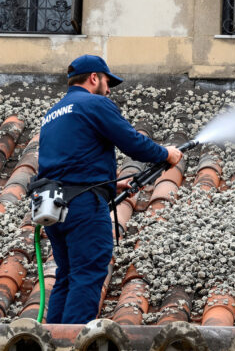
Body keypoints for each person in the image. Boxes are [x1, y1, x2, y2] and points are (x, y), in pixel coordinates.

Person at [37, 55, 182, 324]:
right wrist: (166, 153)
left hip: (53, 207)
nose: (109, 89)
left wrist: (112, 184)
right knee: (89, 272)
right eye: (107, 81)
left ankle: (52, 339)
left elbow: (64, 164)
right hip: (83, 207)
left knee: (67, 276)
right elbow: (131, 141)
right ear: (94, 78)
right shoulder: (95, 103)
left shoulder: (53, 113)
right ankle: (72, 342)